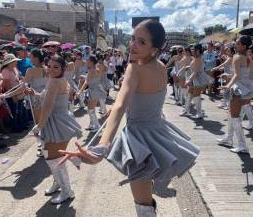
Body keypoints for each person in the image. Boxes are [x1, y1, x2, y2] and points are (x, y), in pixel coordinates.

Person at [60, 20, 200, 216]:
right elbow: (141, 99)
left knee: (142, 206)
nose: (133, 45)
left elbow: (119, 106)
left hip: (139, 140)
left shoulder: (135, 68)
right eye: (133, 38)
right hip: (158, 132)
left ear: (154, 48)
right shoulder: (160, 67)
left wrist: (102, 146)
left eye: (141, 42)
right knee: (146, 199)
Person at [29, 55, 82, 204]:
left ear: (63, 68)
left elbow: (47, 106)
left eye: (56, 67)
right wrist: (34, 93)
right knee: (49, 155)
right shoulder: (58, 80)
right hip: (57, 121)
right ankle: (59, 183)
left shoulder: (54, 82)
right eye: (49, 66)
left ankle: (67, 191)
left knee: (54, 158)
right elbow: (46, 98)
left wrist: (39, 125)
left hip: (57, 122)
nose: (51, 69)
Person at [217, 35, 253, 154]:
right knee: (231, 114)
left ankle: (242, 145)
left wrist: (227, 85)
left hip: (238, 88)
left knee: (235, 116)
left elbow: (237, 75)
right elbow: (243, 74)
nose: (236, 44)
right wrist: (228, 77)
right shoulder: (248, 58)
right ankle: (228, 138)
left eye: (238, 43)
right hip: (245, 87)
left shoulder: (237, 56)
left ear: (244, 46)